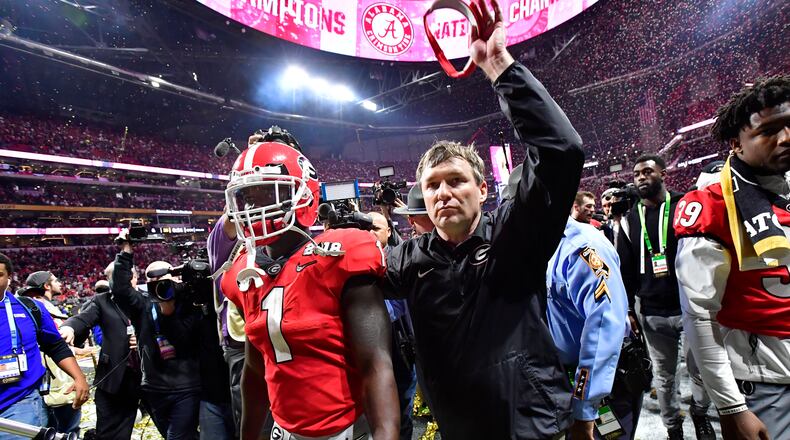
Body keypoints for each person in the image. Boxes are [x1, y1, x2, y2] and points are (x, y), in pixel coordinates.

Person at [382, 1, 584, 437]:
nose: (443, 193)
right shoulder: (406, 259)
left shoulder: (515, 235)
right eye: (432, 185)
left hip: (531, 428)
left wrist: (499, 67)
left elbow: (561, 152)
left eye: (456, 180)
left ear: (484, 189)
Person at [218, 140, 399, 439]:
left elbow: (376, 364)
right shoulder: (242, 271)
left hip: (346, 430)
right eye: (246, 198)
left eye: (266, 194)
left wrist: (386, 433)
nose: (253, 208)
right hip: (284, 432)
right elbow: (255, 368)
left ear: (302, 195)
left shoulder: (340, 254)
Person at [674, 76, 790, 440]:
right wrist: (731, 406)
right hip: (766, 381)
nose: (786, 138)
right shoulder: (710, 205)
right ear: (736, 144)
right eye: (769, 130)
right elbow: (700, 316)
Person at [616, 154, 715, 439]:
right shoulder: (630, 219)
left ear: (664, 174)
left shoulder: (685, 205)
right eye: (636, 174)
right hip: (651, 310)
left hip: (689, 305)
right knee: (664, 377)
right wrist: (629, 311)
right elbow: (626, 269)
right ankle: (673, 428)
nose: (640, 178)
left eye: (647, 171)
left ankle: (699, 412)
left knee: (701, 371)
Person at [545, 216, 634, 439]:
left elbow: (604, 325)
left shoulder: (582, 246)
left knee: (607, 434)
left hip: (601, 379)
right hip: (560, 376)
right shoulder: (535, 242)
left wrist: (584, 408)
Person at [111, 243, 201, 440]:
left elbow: (185, 341)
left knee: (177, 437)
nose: (158, 282)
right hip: (154, 387)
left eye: (162, 277)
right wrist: (126, 251)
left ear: (175, 277)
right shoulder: (142, 304)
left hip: (186, 386)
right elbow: (119, 289)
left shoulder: (189, 302)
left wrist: (168, 313)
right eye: (152, 279)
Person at [0, 253, 89, 439]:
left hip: (18, 402)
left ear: (9, 278)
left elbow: (55, 345)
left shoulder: (29, 308)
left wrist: (79, 377)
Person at [59, 273, 143, 440]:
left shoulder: (150, 298)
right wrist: (69, 327)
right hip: (116, 381)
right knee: (110, 435)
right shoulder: (102, 301)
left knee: (174, 429)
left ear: (134, 278)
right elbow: (82, 319)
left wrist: (145, 338)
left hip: (154, 378)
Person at [369, 212, 417, 440]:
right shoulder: (355, 267)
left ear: (389, 231)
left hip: (400, 344)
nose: (371, 234)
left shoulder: (401, 259)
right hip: (372, 345)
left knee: (404, 403)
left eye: (376, 229)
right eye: (366, 228)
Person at [19, 271, 82, 436]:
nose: (60, 284)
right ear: (46, 286)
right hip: (57, 384)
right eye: (55, 281)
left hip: (57, 381)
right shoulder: (40, 308)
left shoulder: (42, 306)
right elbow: (53, 345)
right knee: (65, 432)